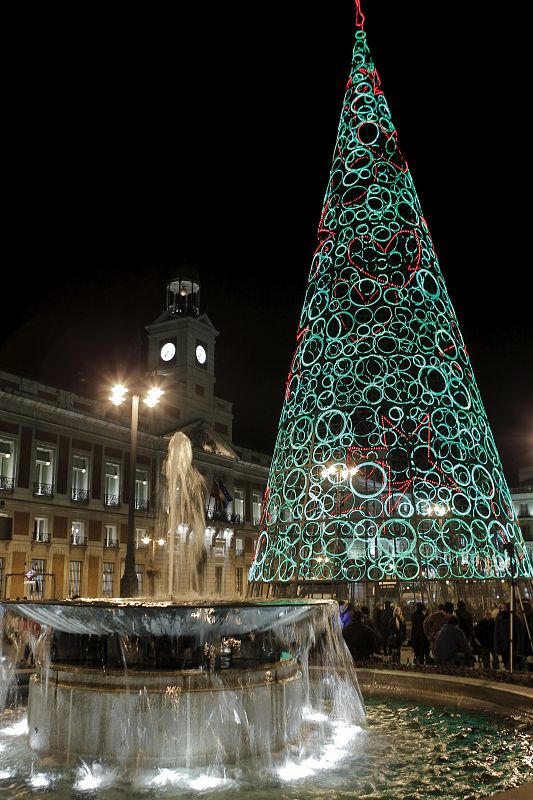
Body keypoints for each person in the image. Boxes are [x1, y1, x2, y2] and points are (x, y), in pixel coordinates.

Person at [494, 602, 525, 671]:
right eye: (502, 608)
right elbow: (496, 634)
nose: (504, 610)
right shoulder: (499, 618)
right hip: (503, 646)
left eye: (505, 608)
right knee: (506, 664)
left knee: (515, 664)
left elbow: (520, 634)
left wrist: (520, 648)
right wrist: (497, 648)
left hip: (514, 645)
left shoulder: (515, 617)